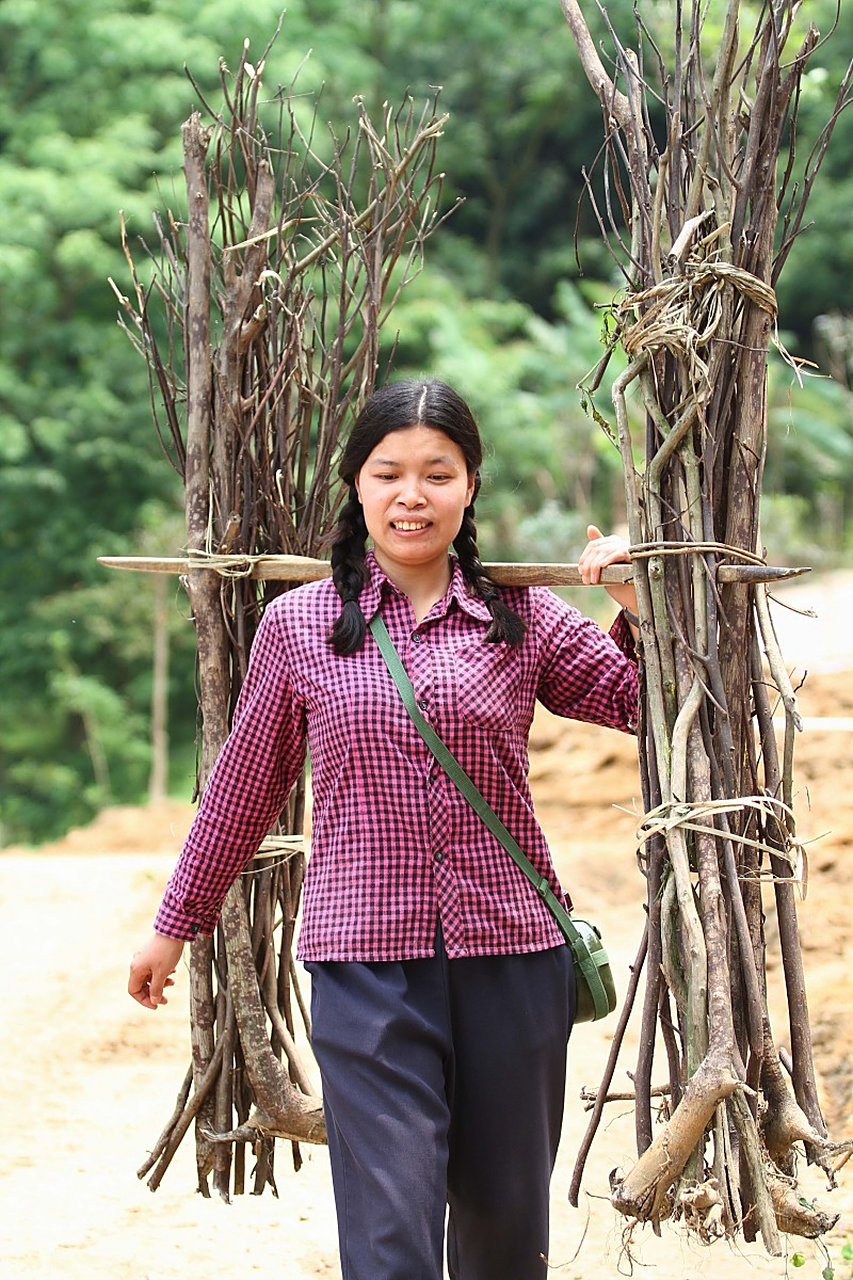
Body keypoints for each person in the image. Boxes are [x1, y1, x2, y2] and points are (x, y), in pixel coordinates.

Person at [129, 378, 639, 1280]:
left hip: (512, 955)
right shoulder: (298, 626)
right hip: (365, 964)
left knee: (503, 1231)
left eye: (436, 474)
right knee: (390, 1232)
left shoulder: (518, 619)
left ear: (470, 486)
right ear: (357, 487)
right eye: (388, 473)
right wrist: (175, 928)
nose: (412, 496)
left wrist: (636, 607)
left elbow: (639, 702)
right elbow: (243, 791)